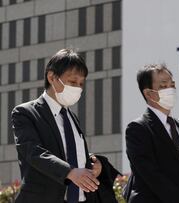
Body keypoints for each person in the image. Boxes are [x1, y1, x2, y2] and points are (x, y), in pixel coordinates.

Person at [11, 49, 117, 203]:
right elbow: (33, 152)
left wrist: (93, 161)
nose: (78, 88)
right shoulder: (25, 113)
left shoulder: (72, 117)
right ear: (52, 77)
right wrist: (70, 172)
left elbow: (69, 151)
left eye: (81, 83)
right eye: (73, 82)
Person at [125, 64, 179, 203]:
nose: (170, 90)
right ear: (148, 93)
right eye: (163, 86)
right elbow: (150, 174)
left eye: (172, 85)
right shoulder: (137, 128)